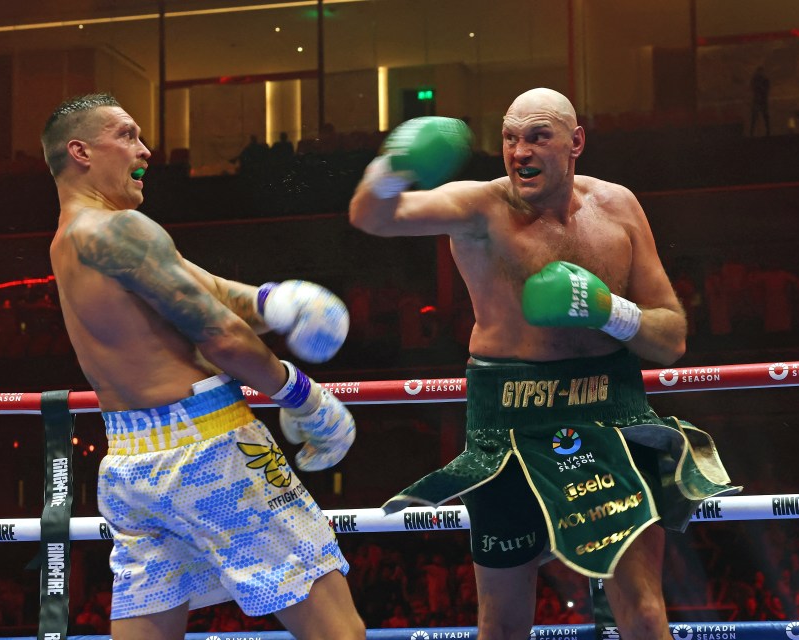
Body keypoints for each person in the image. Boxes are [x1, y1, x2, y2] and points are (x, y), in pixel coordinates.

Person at [349, 88, 740, 640]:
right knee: (504, 621)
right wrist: (395, 164)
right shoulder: (479, 207)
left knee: (645, 611)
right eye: (510, 138)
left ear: (576, 142)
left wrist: (609, 310)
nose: (519, 152)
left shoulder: (618, 208)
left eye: (537, 137)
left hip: (611, 413)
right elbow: (373, 216)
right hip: (509, 422)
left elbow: (671, 337)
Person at [42, 93, 364, 640]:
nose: (145, 149)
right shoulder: (122, 230)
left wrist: (274, 302)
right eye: (126, 135)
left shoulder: (74, 237)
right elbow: (221, 336)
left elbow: (206, 289)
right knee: (339, 631)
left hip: (129, 464)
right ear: (81, 151)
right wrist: (303, 397)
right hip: (210, 447)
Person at [750, 66, 771, 136]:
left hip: (762, 101)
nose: (759, 73)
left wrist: (760, 86)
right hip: (757, 101)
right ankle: (751, 133)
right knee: (754, 118)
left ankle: (768, 131)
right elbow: (752, 88)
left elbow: (766, 90)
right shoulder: (755, 80)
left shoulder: (765, 80)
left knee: (765, 117)